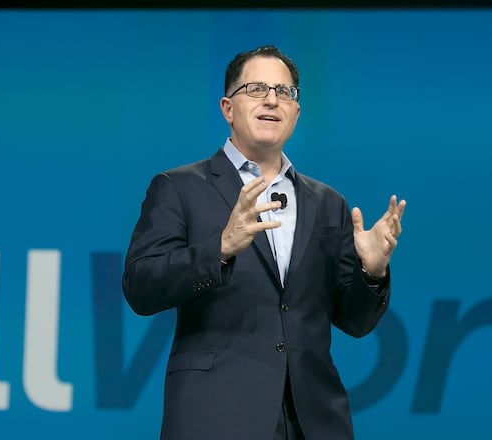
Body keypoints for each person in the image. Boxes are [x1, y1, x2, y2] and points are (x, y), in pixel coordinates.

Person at [122, 45, 406, 440]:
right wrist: (219, 249)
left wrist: (372, 272)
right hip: (217, 416)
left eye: (284, 92)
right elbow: (140, 287)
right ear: (227, 108)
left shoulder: (328, 203)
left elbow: (355, 321)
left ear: (296, 113)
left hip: (313, 421)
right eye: (256, 89)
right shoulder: (179, 188)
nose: (272, 99)